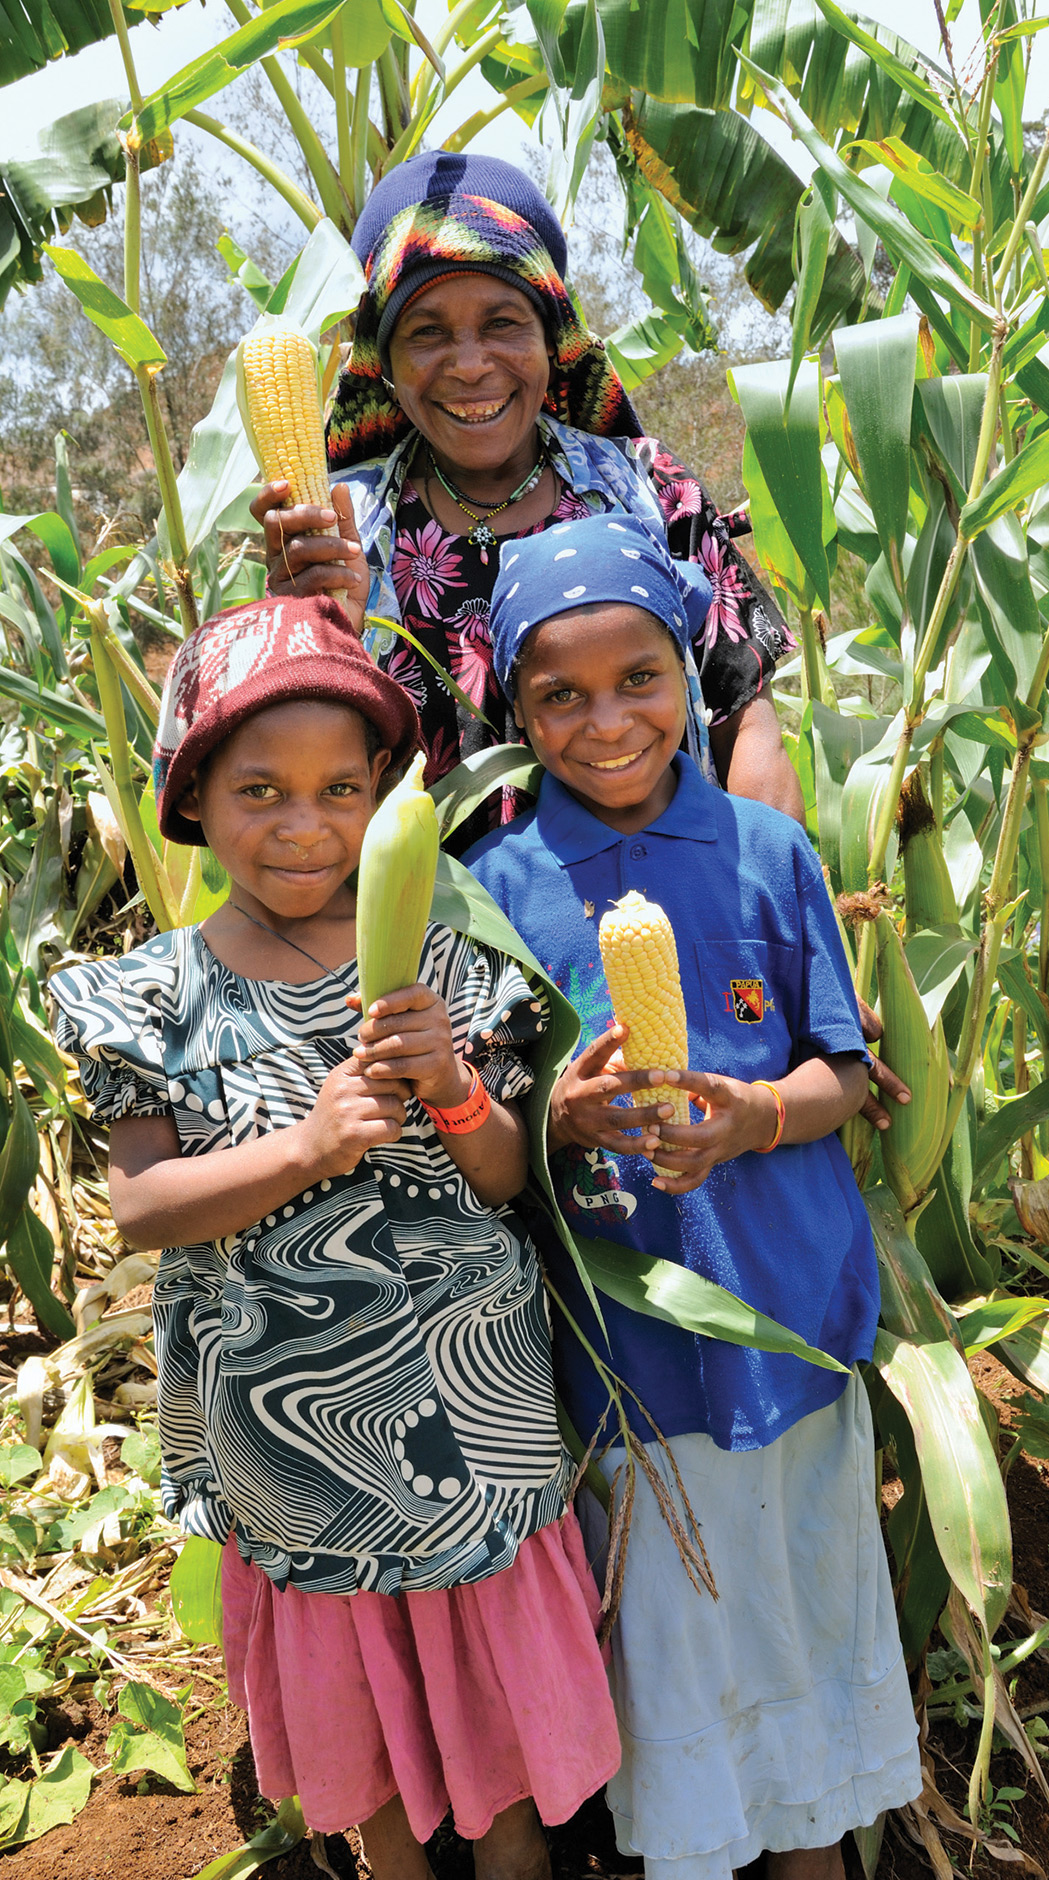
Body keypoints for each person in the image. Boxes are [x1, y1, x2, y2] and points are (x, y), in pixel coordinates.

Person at [49, 594, 621, 1880]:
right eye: (259, 790)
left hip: (469, 1423)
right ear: (191, 796)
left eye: (337, 790)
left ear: (380, 799)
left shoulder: (446, 967)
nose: (302, 826)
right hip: (291, 1441)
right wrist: (307, 1147)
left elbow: (497, 1179)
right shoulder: (149, 995)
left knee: (507, 1765)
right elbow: (139, 1206)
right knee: (358, 1748)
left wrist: (457, 1087)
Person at [464, 516, 922, 1880]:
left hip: (782, 1322)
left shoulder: (766, 855)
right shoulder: (493, 895)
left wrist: (754, 1117)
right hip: (634, 1366)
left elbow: (840, 1072)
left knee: (802, 1613)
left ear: (689, 674)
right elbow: (488, 1136)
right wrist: (563, 1115)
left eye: (640, 679)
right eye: (559, 695)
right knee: (679, 1647)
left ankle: (816, 1854)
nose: (606, 722)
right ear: (511, 705)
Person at [249, 151, 804, 831]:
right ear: (384, 366)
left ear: (554, 341)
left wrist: (776, 910)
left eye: (503, 323)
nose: (471, 365)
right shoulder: (339, 531)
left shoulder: (646, 489)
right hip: (426, 930)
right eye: (426, 333)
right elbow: (295, 783)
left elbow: (744, 722)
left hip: (663, 916)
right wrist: (312, 634)